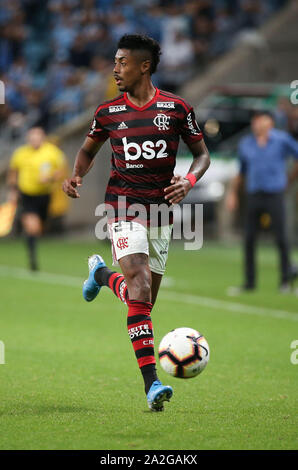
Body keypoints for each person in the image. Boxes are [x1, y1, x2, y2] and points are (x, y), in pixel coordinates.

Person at [62, 34, 210, 411]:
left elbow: (202, 155)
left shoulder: (177, 109)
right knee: (140, 287)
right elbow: (87, 149)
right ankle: (152, 385)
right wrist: (76, 176)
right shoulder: (108, 112)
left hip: (161, 212)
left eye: (122, 62)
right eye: (115, 61)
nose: (115, 69)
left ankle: (100, 276)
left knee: (140, 301)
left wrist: (188, 181)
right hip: (122, 206)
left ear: (144, 66)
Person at [226, 111, 298, 293]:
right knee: (249, 239)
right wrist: (233, 194)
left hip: (275, 194)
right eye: (254, 121)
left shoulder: (282, 140)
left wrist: (289, 180)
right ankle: (249, 283)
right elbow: (241, 172)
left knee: (281, 238)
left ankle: (285, 281)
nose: (256, 124)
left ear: (270, 122)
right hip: (254, 195)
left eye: (260, 120)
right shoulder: (246, 144)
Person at [7, 127, 66, 270]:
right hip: (27, 195)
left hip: (45, 195)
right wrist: (13, 190)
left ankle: (26, 229)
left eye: (37, 137)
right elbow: (13, 172)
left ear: (43, 137)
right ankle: (32, 256)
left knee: (39, 228)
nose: (34, 140)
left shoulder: (52, 152)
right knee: (33, 227)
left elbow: (61, 171)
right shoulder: (20, 153)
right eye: (32, 137)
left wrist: (51, 177)